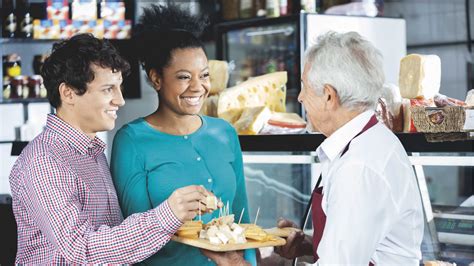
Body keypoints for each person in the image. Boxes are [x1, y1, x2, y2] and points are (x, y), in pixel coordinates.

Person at [9, 33, 211, 264]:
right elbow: (81, 249)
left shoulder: (90, 151)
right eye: (108, 90)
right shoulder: (45, 161)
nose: (120, 100)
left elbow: (111, 245)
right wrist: (168, 215)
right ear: (69, 93)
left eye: (119, 88)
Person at [110, 5, 256, 266]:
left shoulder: (225, 133)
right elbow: (134, 236)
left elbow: (242, 221)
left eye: (205, 75)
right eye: (184, 77)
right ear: (156, 78)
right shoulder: (132, 141)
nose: (198, 87)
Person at [274, 31, 424, 265]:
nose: (300, 97)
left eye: (304, 86)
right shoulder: (365, 140)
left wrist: (232, 261)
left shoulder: (358, 166)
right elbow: (361, 243)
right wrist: (307, 245)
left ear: (329, 96)